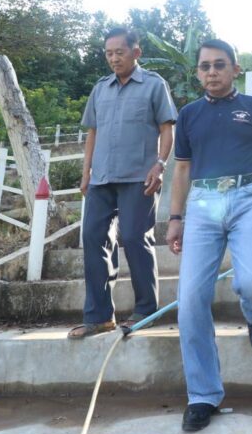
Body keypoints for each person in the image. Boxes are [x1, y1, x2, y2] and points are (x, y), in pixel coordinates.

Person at [167, 38, 252, 433]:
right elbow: (181, 169)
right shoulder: (188, 115)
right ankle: (203, 395)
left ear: (235, 69)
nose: (212, 72)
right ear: (198, 72)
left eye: (219, 65)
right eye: (205, 66)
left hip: (248, 198)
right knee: (190, 301)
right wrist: (175, 217)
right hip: (203, 204)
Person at [71, 27, 178, 339]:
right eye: (109, 53)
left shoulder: (154, 85)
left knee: (133, 237)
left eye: (119, 52)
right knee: (93, 238)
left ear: (136, 52)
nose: (114, 58)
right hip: (102, 178)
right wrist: (86, 171)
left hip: (139, 177)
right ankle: (99, 317)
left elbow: (167, 128)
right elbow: (93, 132)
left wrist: (160, 165)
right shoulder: (100, 89)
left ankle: (146, 310)